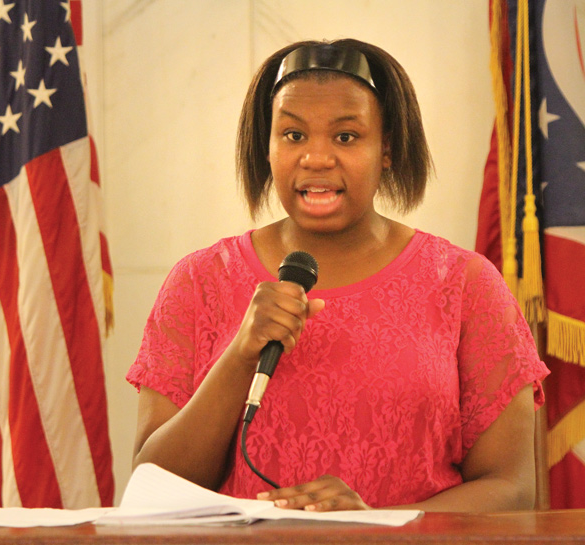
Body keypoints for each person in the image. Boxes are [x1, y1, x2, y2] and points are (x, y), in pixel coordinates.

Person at [127, 38, 550, 512]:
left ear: (386, 149)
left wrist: (374, 527)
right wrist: (240, 355)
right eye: (293, 135)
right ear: (266, 147)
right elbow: (151, 488)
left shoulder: (466, 284)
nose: (317, 158)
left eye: (346, 137)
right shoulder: (199, 281)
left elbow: (513, 490)